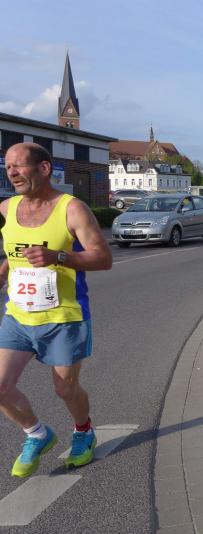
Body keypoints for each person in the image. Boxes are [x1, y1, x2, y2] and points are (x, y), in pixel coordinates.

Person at [0, 142, 113, 478]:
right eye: (8, 166)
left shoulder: (72, 209)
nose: (12, 173)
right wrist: (4, 271)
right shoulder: (7, 208)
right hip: (18, 316)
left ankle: (83, 431)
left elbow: (103, 258)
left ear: (44, 168)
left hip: (64, 317)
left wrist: (59, 257)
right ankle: (37, 434)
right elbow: (15, 254)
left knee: (64, 388)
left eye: (19, 165)